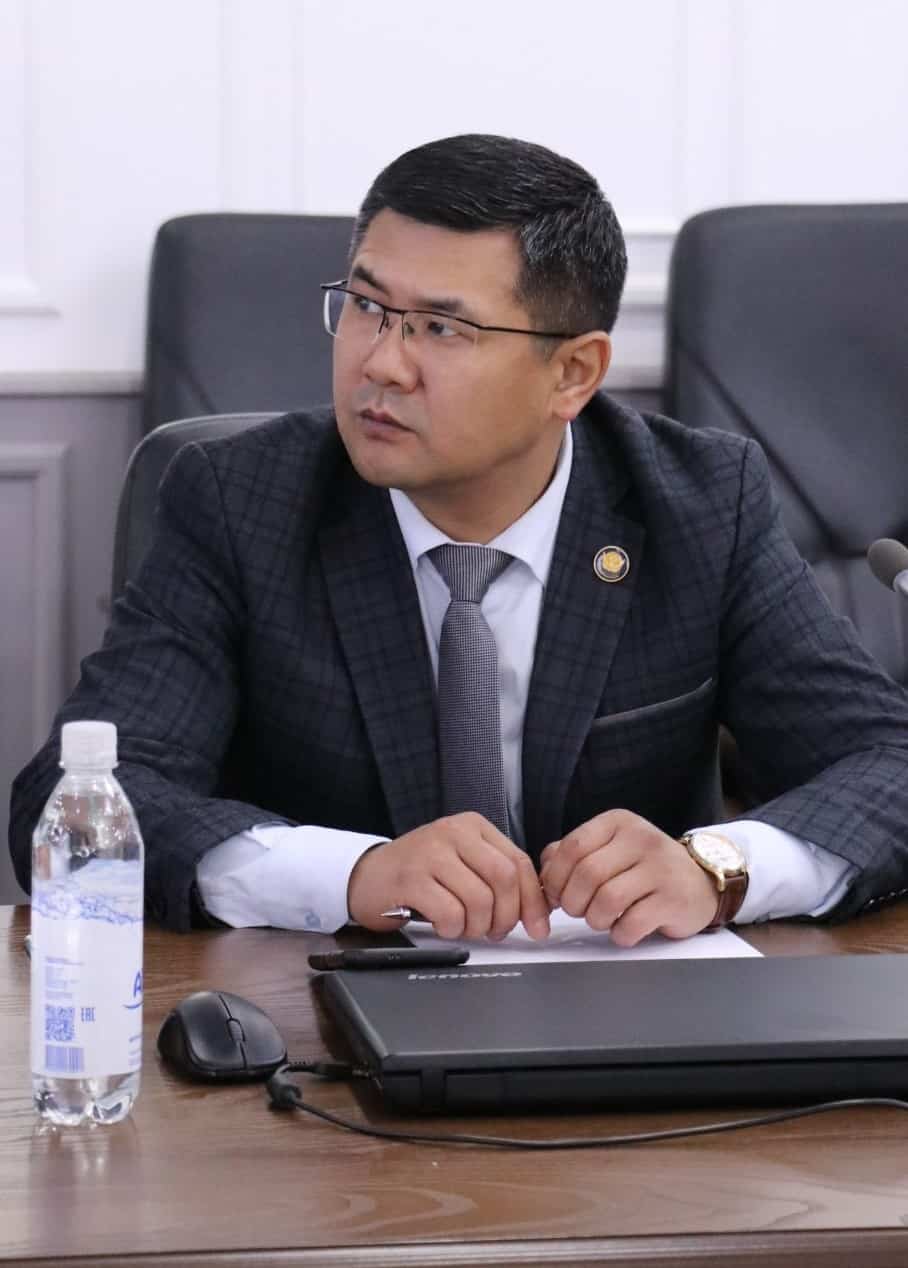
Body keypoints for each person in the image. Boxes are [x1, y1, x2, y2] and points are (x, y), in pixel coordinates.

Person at [9, 134, 908, 941]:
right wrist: (350, 875)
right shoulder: (240, 501)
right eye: (366, 307)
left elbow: (887, 762)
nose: (380, 363)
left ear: (573, 372)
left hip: (630, 1012)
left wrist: (719, 869)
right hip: (316, 1017)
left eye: (441, 328)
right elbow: (73, 802)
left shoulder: (701, 504)